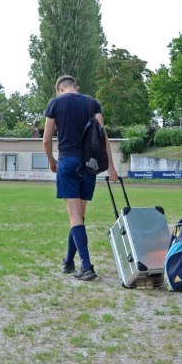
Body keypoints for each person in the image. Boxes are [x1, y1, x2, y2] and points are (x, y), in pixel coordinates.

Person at [43, 75, 119, 281]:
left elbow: (46, 140)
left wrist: (51, 161)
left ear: (59, 88)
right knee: (79, 216)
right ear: (76, 87)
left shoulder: (55, 103)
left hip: (68, 162)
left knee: (75, 217)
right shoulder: (92, 103)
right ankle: (69, 262)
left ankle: (86, 266)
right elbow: (102, 137)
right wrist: (111, 167)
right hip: (89, 164)